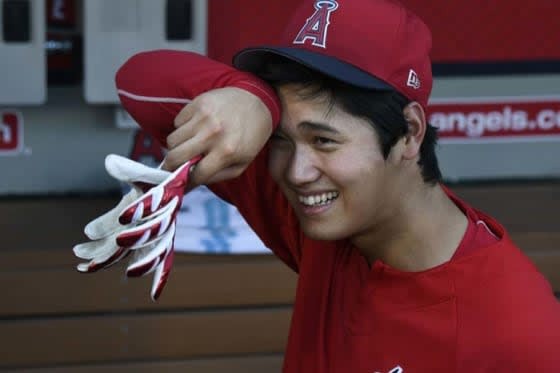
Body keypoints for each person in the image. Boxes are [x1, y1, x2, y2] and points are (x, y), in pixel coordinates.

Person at [114, 0, 560, 371]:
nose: (296, 172)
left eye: (324, 140)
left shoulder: (518, 332)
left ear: (409, 132)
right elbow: (137, 78)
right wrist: (249, 98)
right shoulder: (329, 213)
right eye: (279, 139)